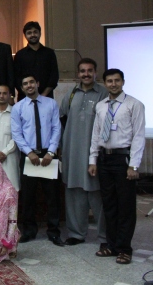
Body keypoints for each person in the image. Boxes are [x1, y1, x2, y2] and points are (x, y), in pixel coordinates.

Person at [89, 69, 145, 265]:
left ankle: (124, 249)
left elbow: (138, 136)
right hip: (105, 160)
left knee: (126, 207)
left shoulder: (134, 105)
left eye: (117, 81)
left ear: (123, 82)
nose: (113, 84)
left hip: (123, 161)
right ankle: (111, 245)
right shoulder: (101, 106)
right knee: (109, 205)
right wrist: (92, 160)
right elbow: (96, 134)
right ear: (104, 83)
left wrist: (134, 165)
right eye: (109, 81)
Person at [11, 74, 63, 246]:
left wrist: (51, 152)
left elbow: (56, 128)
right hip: (29, 157)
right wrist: (29, 152)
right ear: (22, 87)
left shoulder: (51, 104)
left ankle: (53, 231)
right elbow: (16, 134)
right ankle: (29, 231)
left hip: (48, 155)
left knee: (52, 196)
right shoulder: (18, 108)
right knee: (28, 197)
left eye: (32, 82)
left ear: (38, 83)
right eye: (25, 83)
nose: (29, 85)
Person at [60, 58, 108, 247]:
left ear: (95, 72)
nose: (86, 74)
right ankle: (76, 233)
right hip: (72, 152)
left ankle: (104, 237)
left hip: (95, 155)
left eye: (90, 70)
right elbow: (62, 118)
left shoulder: (103, 93)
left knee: (99, 196)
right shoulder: (71, 93)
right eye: (82, 71)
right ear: (78, 73)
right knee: (74, 193)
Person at [14, 22, 59, 101]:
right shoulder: (20, 55)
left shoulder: (49, 53)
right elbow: (17, 78)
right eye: (29, 33)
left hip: (46, 98)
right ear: (25, 35)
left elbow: (54, 76)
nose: (32, 35)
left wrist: (43, 96)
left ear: (40, 33)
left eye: (35, 32)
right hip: (25, 99)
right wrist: (29, 95)